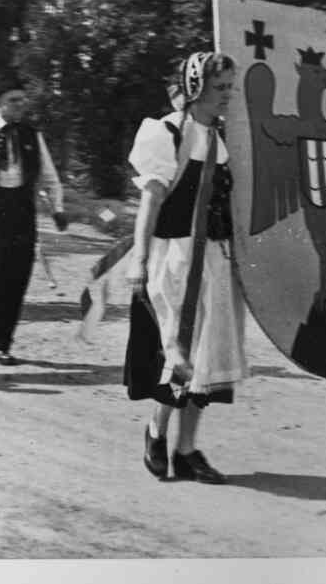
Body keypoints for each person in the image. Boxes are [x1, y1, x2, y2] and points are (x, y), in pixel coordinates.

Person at [123, 52, 248, 484]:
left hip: (214, 258)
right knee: (178, 355)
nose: (228, 95)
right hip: (175, 258)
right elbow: (151, 202)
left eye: (231, 87)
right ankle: (156, 433)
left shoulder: (223, 139)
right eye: (220, 88)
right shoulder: (167, 133)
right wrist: (139, 261)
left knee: (208, 359)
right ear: (196, 88)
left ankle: (188, 450)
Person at [0, 74, 67, 365]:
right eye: (13, 101)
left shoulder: (32, 135)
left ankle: (0, 345)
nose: (20, 105)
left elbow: (49, 177)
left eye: (22, 100)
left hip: (20, 214)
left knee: (15, 281)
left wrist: (57, 209)